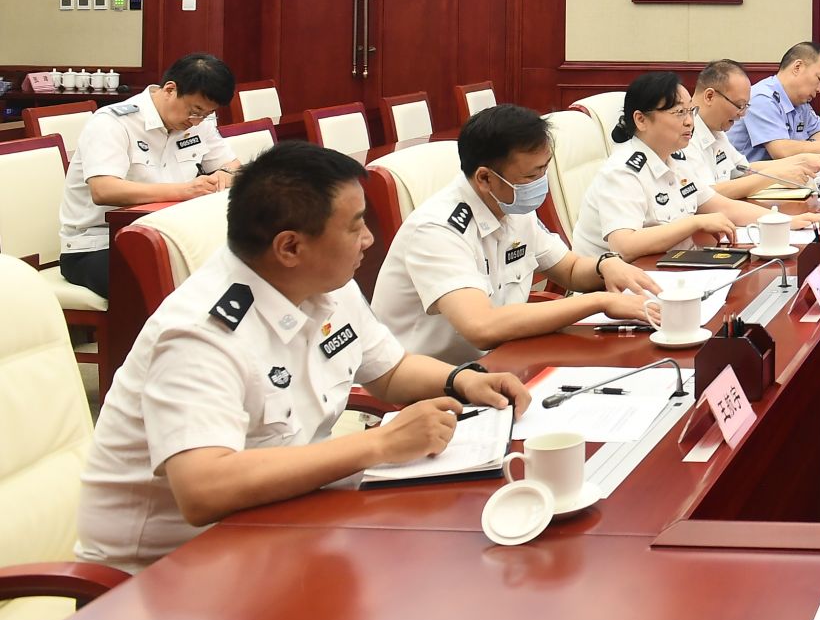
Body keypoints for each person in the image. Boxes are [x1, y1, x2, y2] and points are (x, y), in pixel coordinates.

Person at [75, 141, 532, 574]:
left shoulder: (324, 284)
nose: (369, 239)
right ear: (290, 247)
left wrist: (463, 380)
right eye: (355, 226)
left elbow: (390, 370)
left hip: (282, 525)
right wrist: (380, 444)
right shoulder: (200, 334)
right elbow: (204, 489)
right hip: (167, 574)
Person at [371, 104, 662, 365]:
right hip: (432, 385)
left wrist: (605, 265)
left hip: (503, 361)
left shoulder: (511, 205)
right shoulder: (437, 230)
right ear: (485, 178)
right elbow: (482, 327)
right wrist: (599, 301)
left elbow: (570, 269)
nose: (541, 183)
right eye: (531, 176)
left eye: (545, 169)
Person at [573, 71, 820, 258]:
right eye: (679, 113)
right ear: (641, 120)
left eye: (690, 111)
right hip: (616, 289)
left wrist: (783, 221)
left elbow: (721, 206)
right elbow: (624, 245)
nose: (689, 122)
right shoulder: (623, 171)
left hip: (668, 267)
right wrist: (694, 223)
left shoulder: (676, 159)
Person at [59, 53, 242, 299]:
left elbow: (235, 167)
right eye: (195, 111)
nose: (197, 122)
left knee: (237, 268)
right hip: (99, 245)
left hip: (170, 235)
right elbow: (104, 190)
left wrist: (224, 174)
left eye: (206, 114)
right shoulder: (112, 122)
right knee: (171, 288)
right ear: (170, 90)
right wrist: (185, 191)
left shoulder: (200, 123)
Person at [686, 59, 820, 200]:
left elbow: (743, 169)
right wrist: (775, 176)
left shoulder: (716, 130)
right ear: (709, 96)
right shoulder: (685, 135)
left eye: (745, 107)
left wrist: (801, 160)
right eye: (739, 106)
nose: (742, 114)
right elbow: (706, 195)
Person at [727, 42, 820, 162]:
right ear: (797, 67)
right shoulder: (762, 97)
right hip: (748, 174)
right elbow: (781, 151)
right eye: (818, 78)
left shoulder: (801, 103)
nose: (819, 89)